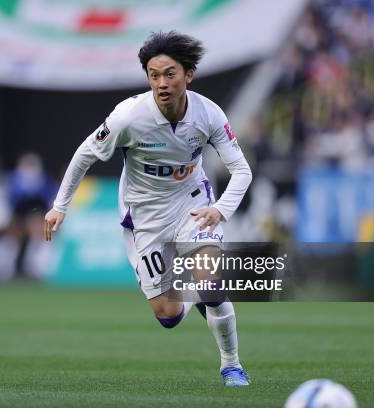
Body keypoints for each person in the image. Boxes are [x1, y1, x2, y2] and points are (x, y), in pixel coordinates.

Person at [44, 31, 252, 387]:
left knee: (212, 285)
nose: (161, 83)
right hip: (144, 218)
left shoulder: (209, 115)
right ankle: (193, 296)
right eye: (154, 75)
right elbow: (83, 155)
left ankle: (231, 365)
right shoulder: (129, 117)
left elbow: (241, 169)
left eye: (170, 73)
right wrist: (59, 206)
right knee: (168, 316)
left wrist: (221, 209)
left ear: (189, 74)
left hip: (194, 207)